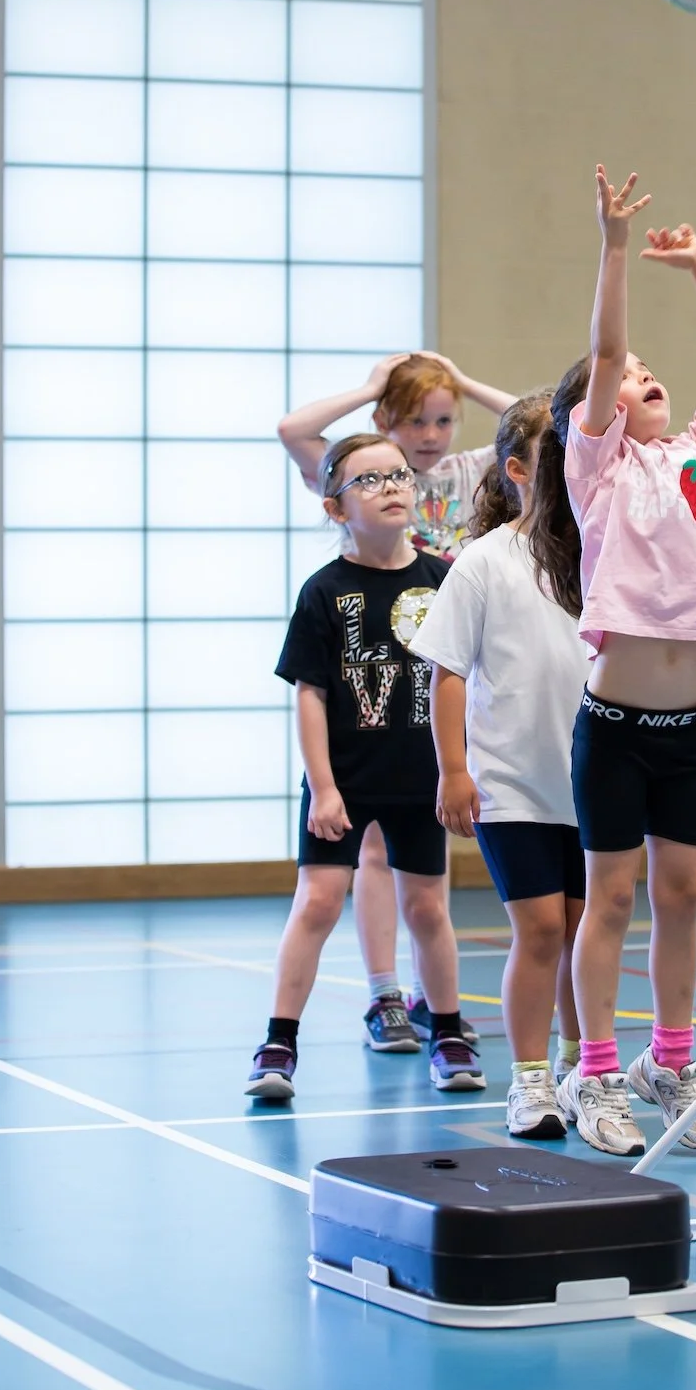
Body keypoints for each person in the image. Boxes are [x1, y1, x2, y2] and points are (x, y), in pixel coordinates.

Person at [528, 166, 696, 1157]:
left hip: (686, 732)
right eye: (626, 377)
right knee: (610, 897)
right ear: (596, 417)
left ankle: (670, 1059)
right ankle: (600, 1074)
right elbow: (607, 345)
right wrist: (616, 249)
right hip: (615, 732)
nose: (640, 373)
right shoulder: (599, 469)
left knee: (684, 895)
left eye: (650, 369)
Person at [277, 350, 515, 1048]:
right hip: (370, 685)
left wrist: (464, 376)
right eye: (416, 420)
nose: (433, 433)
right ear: (386, 422)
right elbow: (293, 429)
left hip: (434, 686)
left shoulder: (465, 474)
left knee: (424, 876)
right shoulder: (357, 469)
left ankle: (426, 1000)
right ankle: (385, 994)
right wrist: (371, 388)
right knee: (371, 858)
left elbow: (540, 427)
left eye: (445, 419)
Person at [246, 433, 485, 1100]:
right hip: (344, 782)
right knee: (319, 901)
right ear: (334, 508)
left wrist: (457, 768)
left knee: (428, 909)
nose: (390, 487)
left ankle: (447, 1031)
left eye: (398, 475)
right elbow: (310, 693)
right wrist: (322, 787)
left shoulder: (444, 578)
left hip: (421, 780)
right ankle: (278, 1043)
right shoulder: (324, 591)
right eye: (368, 480)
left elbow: (462, 683)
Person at [416, 393, 589, 1140]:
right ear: (517, 470)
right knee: (542, 930)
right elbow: (447, 672)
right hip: (511, 783)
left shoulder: (600, 552)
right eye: (558, 455)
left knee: (586, 930)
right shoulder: (485, 561)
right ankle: (530, 1080)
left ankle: (587, 1063)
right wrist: (454, 770)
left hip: (590, 785)